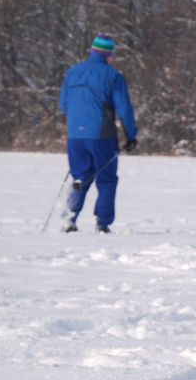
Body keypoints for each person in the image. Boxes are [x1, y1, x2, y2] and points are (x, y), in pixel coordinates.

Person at [59, 34, 138, 233]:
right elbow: (124, 108)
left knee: (79, 177)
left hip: (75, 136)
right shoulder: (113, 76)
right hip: (102, 136)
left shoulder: (73, 72)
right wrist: (131, 135)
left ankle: (69, 218)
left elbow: (63, 104)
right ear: (109, 54)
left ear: (92, 51)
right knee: (107, 179)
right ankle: (102, 224)